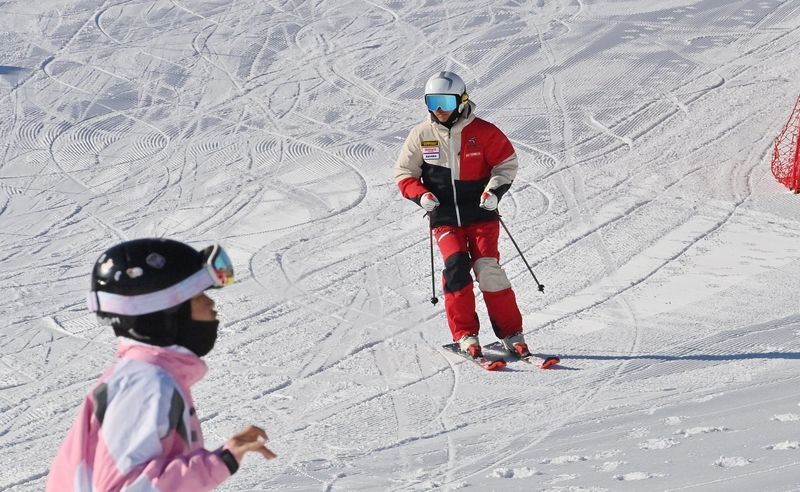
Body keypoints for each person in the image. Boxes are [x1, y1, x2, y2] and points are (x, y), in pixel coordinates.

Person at [46, 238, 276, 492]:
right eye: (198, 295)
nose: (211, 304)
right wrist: (218, 464)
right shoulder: (146, 382)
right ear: (163, 313)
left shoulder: (146, 376)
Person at [394, 71, 529, 359]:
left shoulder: (484, 131)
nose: (439, 110)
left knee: (488, 269)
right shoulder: (422, 135)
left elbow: (506, 164)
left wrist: (494, 192)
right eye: (432, 102)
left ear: (462, 100)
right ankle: (466, 334)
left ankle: (512, 333)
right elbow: (404, 172)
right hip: (444, 219)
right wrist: (422, 195)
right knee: (456, 268)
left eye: (445, 102)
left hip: (481, 215)